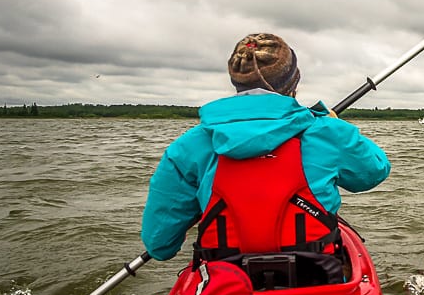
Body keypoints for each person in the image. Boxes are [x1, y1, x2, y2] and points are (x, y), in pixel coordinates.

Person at [141, 33, 391, 272]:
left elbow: (160, 244)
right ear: (294, 81)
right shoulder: (328, 132)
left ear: (236, 81)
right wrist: (336, 126)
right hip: (318, 277)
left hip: (226, 285)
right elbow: (374, 171)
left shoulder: (189, 146)